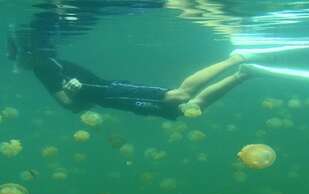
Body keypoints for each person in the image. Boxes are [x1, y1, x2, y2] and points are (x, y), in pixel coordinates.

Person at [8, 37, 251, 120]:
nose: (17, 62)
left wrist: (80, 94)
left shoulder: (47, 65)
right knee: (187, 108)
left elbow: (71, 105)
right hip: (113, 98)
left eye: (17, 55)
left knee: (180, 95)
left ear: (29, 53)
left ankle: (235, 59)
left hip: (112, 92)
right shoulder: (43, 68)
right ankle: (242, 75)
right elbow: (72, 104)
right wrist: (79, 94)